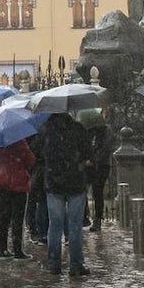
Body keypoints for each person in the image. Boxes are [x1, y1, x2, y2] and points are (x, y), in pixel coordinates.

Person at [42, 112, 92, 276]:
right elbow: (87, 153)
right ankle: (76, 265)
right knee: (75, 226)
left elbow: (38, 153)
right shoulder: (78, 129)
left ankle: (53, 263)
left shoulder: (46, 131)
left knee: (54, 225)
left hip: (54, 184)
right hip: (75, 183)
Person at [0, 138, 35, 259]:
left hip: (3, 182)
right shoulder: (19, 141)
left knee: (4, 215)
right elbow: (29, 160)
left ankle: (2, 248)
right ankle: (17, 249)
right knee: (17, 217)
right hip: (17, 182)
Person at [83, 113, 114, 232]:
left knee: (97, 192)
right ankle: (84, 216)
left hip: (101, 167)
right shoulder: (88, 131)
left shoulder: (106, 131)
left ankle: (97, 219)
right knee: (82, 191)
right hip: (88, 166)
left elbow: (106, 148)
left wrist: (94, 160)